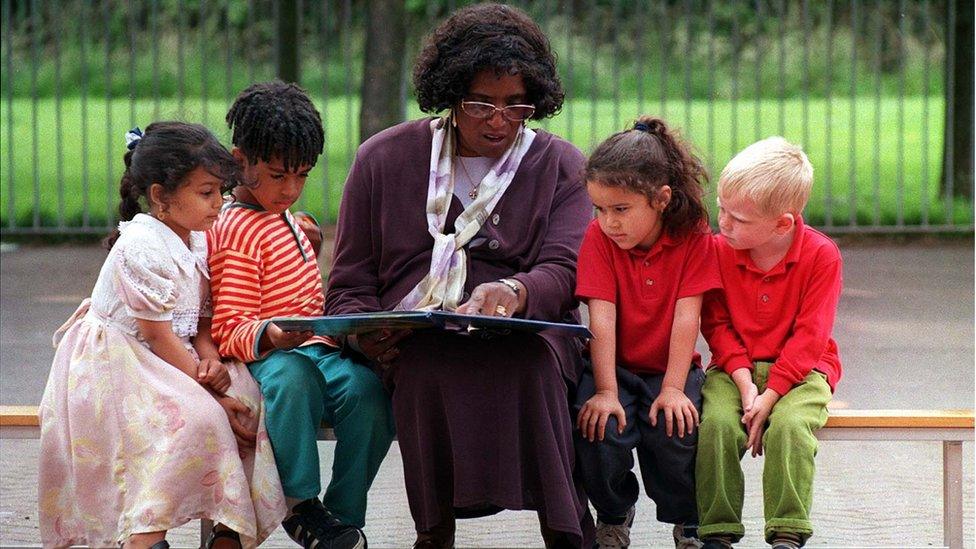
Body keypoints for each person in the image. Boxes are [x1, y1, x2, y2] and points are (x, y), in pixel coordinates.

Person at [324, 4, 595, 547]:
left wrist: (516, 291)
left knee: (533, 363)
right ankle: (433, 531)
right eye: (480, 104)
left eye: (516, 104)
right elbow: (349, 282)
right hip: (417, 336)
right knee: (424, 363)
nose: (498, 119)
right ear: (449, 93)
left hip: (530, 330)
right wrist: (369, 334)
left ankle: (567, 528)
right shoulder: (383, 158)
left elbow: (567, 270)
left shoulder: (560, 163)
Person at [37, 122, 286, 549]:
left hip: (171, 355)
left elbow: (200, 317)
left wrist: (209, 359)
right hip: (120, 363)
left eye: (220, 192)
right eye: (206, 193)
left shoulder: (197, 239)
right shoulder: (140, 245)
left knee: (247, 399)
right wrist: (208, 388)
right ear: (160, 196)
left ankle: (228, 531)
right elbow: (157, 336)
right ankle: (145, 534)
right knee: (192, 420)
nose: (217, 205)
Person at [208, 81, 395, 549]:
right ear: (239, 161)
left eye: (302, 176)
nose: (290, 189)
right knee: (295, 379)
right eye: (276, 176)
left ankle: (342, 515)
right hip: (266, 359)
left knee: (369, 392)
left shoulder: (289, 218)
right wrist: (271, 335)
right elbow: (227, 328)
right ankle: (301, 506)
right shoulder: (234, 230)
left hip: (313, 350)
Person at [572, 117, 719, 549]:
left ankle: (687, 518)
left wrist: (673, 388)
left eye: (620, 209)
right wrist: (605, 390)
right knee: (598, 431)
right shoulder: (598, 238)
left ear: (661, 199)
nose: (608, 222)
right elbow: (600, 318)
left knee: (677, 431)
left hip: (669, 369)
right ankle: (614, 512)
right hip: (611, 366)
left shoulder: (693, 235)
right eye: (599, 209)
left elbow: (686, 317)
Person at [696, 137, 843, 549]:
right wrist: (747, 389)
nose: (722, 222)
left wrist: (773, 394)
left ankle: (787, 531)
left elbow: (810, 337)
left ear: (782, 223)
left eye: (737, 217)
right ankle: (716, 532)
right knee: (718, 426)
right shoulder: (718, 250)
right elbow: (717, 326)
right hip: (733, 368)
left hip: (802, 371)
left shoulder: (821, 256)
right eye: (721, 207)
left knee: (792, 427)